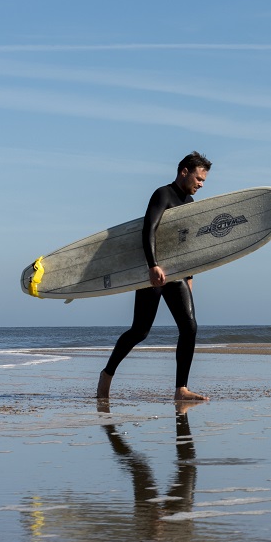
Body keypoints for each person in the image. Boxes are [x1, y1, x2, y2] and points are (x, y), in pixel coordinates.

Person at [96, 152, 212, 402]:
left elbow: (185, 246)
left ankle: (181, 388)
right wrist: (152, 265)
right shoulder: (163, 194)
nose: (201, 184)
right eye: (199, 178)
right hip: (155, 273)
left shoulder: (190, 203)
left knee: (189, 327)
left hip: (177, 274)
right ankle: (107, 374)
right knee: (140, 331)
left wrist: (189, 277)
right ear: (184, 171)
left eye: (203, 180)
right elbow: (148, 228)